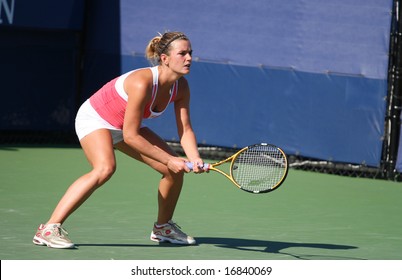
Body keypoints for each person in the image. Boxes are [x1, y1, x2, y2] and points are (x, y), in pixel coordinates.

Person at [33, 31, 205, 249]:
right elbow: (131, 136)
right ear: (165, 58)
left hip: (123, 126)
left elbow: (185, 129)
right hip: (96, 119)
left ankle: (163, 228)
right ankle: (49, 229)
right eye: (183, 53)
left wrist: (194, 157)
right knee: (105, 168)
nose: (189, 58)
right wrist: (170, 159)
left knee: (173, 171)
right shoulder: (142, 83)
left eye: (190, 52)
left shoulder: (181, 87)